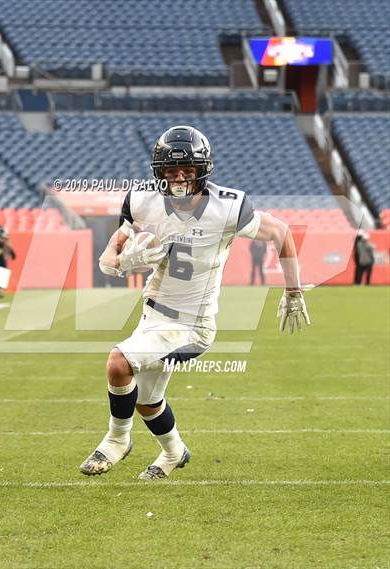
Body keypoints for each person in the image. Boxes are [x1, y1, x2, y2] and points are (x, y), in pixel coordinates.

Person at [80, 125, 310, 480]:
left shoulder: (227, 207)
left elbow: (280, 232)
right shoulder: (142, 202)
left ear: (203, 170)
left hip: (192, 325)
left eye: (187, 169)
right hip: (152, 316)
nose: (179, 177)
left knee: (118, 363)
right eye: (171, 171)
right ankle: (174, 453)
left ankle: (117, 439)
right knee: (145, 399)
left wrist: (292, 289)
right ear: (159, 172)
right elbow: (109, 256)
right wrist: (123, 264)